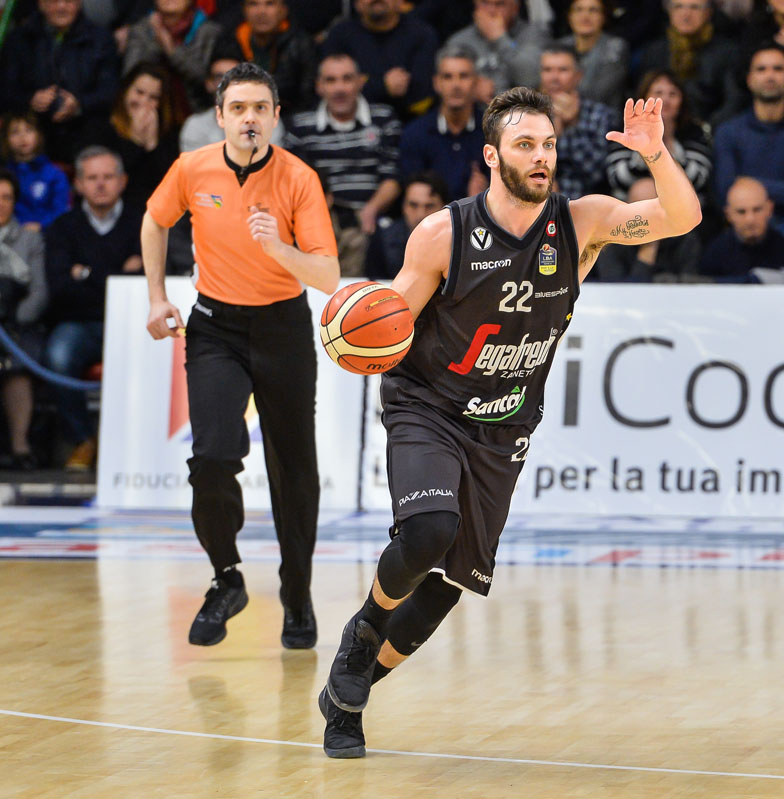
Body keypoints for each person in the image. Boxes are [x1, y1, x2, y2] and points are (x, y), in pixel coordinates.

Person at [316, 86, 702, 758]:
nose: (541, 156)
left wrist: (656, 154)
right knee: (429, 530)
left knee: (447, 585)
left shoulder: (583, 222)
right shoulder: (443, 234)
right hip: (429, 404)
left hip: (504, 422)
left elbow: (682, 218)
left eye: (548, 144)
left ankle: (350, 695)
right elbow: (392, 321)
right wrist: (357, 338)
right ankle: (362, 632)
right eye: (525, 145)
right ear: (493, 156)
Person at [141, 63, 339, 650]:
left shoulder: (299, 178)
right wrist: (156, 297)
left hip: (282, 329)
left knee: (294, 468)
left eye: (259, 108)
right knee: (211, 457)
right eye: (238, 108)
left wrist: (278, 247)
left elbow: (327, 275)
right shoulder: (192, 167)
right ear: (220, 117)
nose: (249, 118)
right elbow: (154, 221)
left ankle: (297, 592)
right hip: (215, 328)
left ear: (275, 117)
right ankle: (226, 578)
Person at [44, 146, 143, 471]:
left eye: (108, 177)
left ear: (123, 181)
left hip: (133, 323)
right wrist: (119, 275)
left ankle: (133, 443)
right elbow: (60, 290)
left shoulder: (144, 223)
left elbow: (145, 283)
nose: (100, 184)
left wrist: (85, 273)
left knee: (154, 359)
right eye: (92, 177)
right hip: (79, 323)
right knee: (58, 356)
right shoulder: (62, 227)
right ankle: (82, 440)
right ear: (78, 184)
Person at [285, 53, 403, 276]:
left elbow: (393, 178)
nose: (339, 88)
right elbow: (293, 183)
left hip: (368, 217)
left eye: (347, 79)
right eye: (331, 80)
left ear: (360, 82)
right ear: (319, 86)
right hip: (318, 216)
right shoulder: (300, 126)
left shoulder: (384, 118)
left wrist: (371, 209)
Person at [713, 43, 784, 242]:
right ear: (749, 79)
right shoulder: (728, 132)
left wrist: (745, 183)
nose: (770, 76)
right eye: (761, 69)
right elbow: (726, 192)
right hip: (743, 230)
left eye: (778, 69)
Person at [0, 0, 121, 162]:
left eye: (68, 0)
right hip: (34, 133)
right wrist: (31, 99)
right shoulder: (19, 39)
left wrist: (79, 104)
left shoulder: (101, 39)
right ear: (41, 3)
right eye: (54, 1)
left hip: (86, 132)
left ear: (79, 2)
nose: (61, 7)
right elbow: (5, 91)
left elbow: (111, 91)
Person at [605, 70, 713, 206]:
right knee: (645, 190)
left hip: (683, 208)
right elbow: (618, 180)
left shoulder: (694, 131)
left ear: (682, 102)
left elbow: (698, 180)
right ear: (643, 98)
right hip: (630, 208)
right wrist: (645, 148)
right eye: (658, 93)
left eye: (672, 94)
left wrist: (665, 142)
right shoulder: (626, 128)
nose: (664, 100)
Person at [0, 169, 47, 471]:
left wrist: (14, 320)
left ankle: (20, 446)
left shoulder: (30, 239)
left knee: (17, 365)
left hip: (17, 324)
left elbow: (39, 292)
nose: (0, 203)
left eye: (6, 197)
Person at [320, 0, 438, 121]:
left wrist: (365, 83)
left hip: (409, 123)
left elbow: (421, 96)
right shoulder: (339, 36)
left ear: (399, 2)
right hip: (352, 123)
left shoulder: (422, 34)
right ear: (357, 4)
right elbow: (330, 89)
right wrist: (383, 86)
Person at [398, 46, 489, 202]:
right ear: (436, 83)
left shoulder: (493, 133)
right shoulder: (415, 134)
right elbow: (412, 201)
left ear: (477, 82)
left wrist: (484, 198)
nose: (456, 85)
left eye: (463, 76)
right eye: (447, 77)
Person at [98, 63, 184, 215]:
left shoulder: (170, 134)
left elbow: (170, 185)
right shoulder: (104, 128)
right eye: (139, 92)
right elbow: (113, 178)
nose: (144, 101)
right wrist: (136, 140)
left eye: (153, 97)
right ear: (126, 90)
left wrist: (152, 144)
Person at [539, 44, 619, 198]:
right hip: (536, 197)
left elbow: (595, 174)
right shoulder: (527, 114)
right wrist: (552, 136)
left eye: (563, 70)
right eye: (547, 70)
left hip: (586, 201)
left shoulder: (600, 114)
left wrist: (573, 125)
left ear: (578, 76)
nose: (554, 77)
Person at [212, 0, 318, 114]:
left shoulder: (300, 44)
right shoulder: (230, 42)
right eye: (253, 4)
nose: (261, 12)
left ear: (283, 10)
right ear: (244, 10)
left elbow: (308, 94)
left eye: (270, 4)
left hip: (290, 116)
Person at [697, 176, 784, 282]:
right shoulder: (714, 255)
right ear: (728, 214)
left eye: (757, 209)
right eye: (741, 212)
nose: (750, 219)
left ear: (770, 208)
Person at [364, 172, 449, 280]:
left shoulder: (458, 241)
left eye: (429, 206)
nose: (420, 214)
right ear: (403, 206)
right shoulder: (383, 239)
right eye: (413, 205)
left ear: (444, 207)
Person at [556, 0, 629, 110]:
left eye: (593, 10)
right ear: (569, 17)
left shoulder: (615, 47)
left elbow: (597, 92)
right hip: (558, 110)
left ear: (603, 17)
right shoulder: (559, 46)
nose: (585, 16)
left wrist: (559, 94)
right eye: (578, 10)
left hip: (602, 115)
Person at [3, 114, 71, 231]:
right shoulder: (4, 176)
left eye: (29, 130)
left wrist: (41, 225)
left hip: (48, 234)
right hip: (9, 234)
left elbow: (61, 210)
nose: (22, 137)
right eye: (15, 132)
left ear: (38, 135)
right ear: (6, 139)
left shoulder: (54, 174)